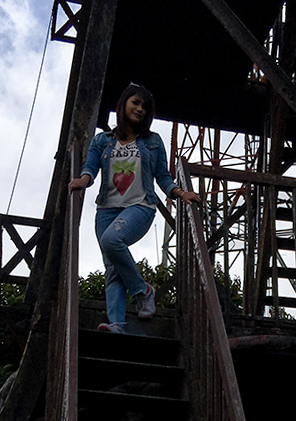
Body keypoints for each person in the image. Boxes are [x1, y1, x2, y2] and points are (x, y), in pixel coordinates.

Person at [69, 83, 200, 333]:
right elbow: (91, 167)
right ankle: (116, 324)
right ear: (124, 105)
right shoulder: (102, 140)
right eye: (135, 103)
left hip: (140, 206)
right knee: (112, 268)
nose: (140, 109)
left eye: (144, 106)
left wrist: (181, 193)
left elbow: (162, 175)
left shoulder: (152, 141)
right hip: (106, 209)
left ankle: (143, 291)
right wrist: (83, 180)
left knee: (112, 241)